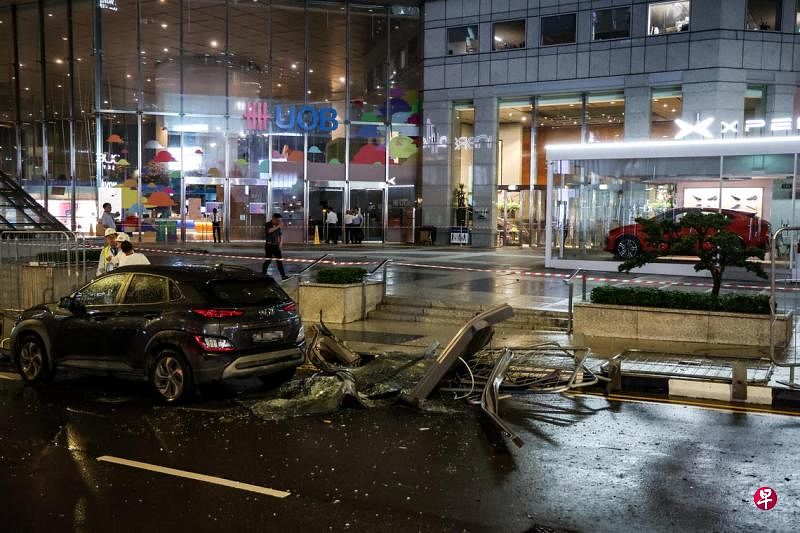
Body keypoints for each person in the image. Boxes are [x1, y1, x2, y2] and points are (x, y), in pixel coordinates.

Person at [263, 213, 290, 280]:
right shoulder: (268, 224)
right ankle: (263, 274)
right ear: (273, 218)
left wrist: (280, 244)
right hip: (269, 245)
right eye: (278, 220)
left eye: (280, 220)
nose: (279, 222)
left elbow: (280, 235)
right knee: (268, 261)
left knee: (279, 261)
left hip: (276, 246)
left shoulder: (278, 225)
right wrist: (278, 226)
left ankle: (283, 276)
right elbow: (269, 231)